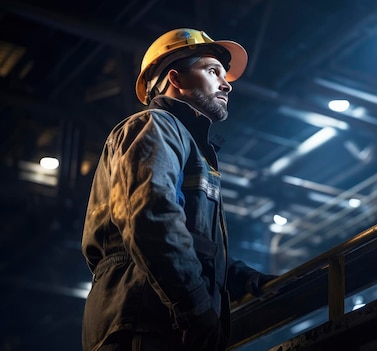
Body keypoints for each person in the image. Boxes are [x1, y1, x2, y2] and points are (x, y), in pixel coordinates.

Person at [81, 28, 277, 351]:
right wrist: (197, 308)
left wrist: (238, 277)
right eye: (213, 71)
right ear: (176, 78)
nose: (226, 84)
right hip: (141, 326)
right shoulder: (155, 126)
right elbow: (151, 218)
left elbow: (188, 242)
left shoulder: (187, 144)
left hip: (162, 325)